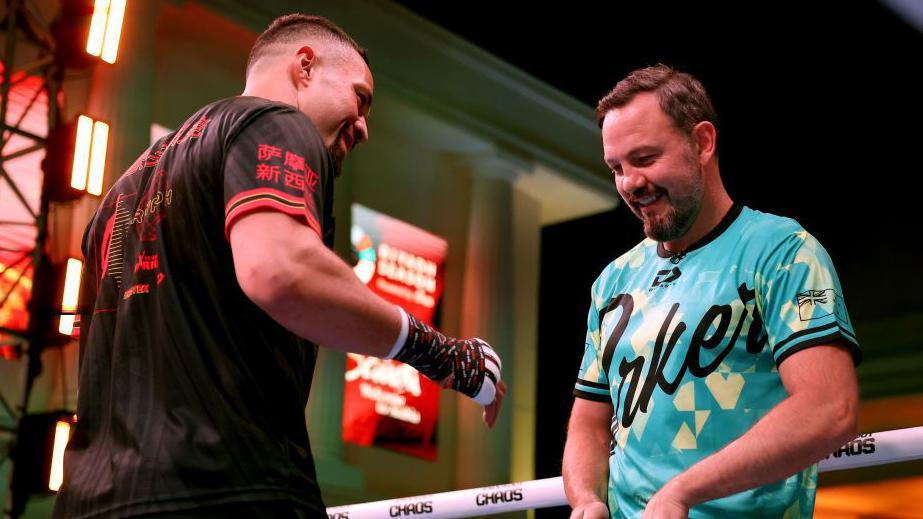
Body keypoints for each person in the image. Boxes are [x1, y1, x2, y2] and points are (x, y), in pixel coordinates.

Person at [55, 14, 504, 518]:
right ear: (305, 67)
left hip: (92, 501)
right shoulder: (277, 121)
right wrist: (439, 352)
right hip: (227, 485)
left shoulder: (119, 195)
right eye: (360, 99)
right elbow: (281, 271)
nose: (364, 128)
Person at [562, 64, 860, 519]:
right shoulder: (612, 281)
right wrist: (585, 500)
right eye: (616, 167)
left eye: (644, 159)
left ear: (702, 141)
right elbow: (588, 425)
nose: (629, 183)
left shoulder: (782, 250)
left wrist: (681, 492)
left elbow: (829, 408)